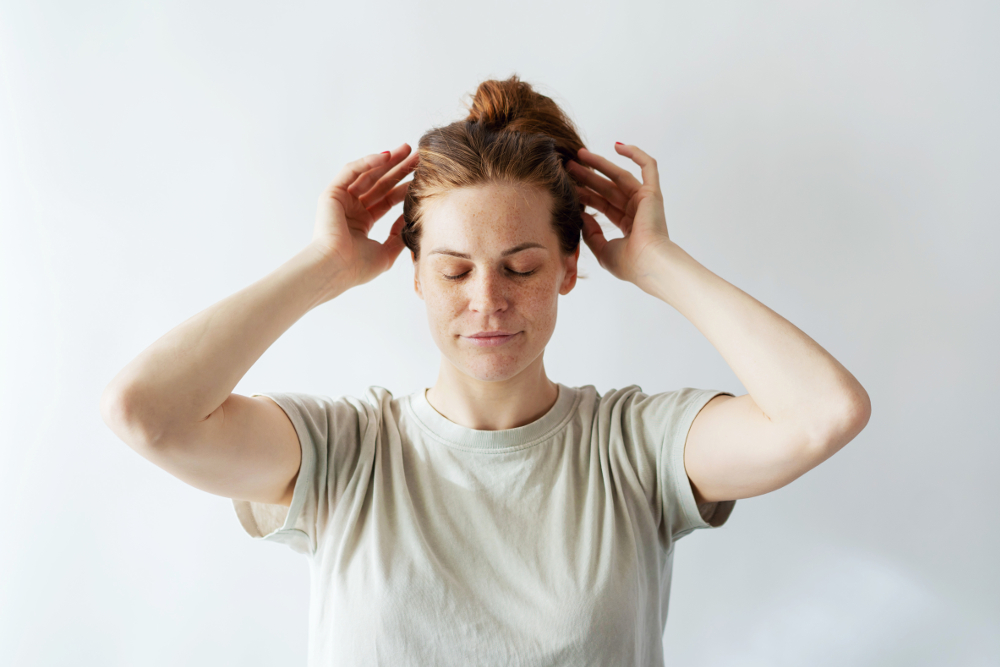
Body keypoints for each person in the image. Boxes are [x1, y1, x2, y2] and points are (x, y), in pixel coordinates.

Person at [100, 75, 871, 666]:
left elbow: (824, 412)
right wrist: (323, 266)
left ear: (570, 265)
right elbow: (145, 411)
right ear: (414, 273)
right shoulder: (342, 451)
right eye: (454, 269)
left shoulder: (636, 446)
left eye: (521, 265)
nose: (489, 300)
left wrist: (659, 264)